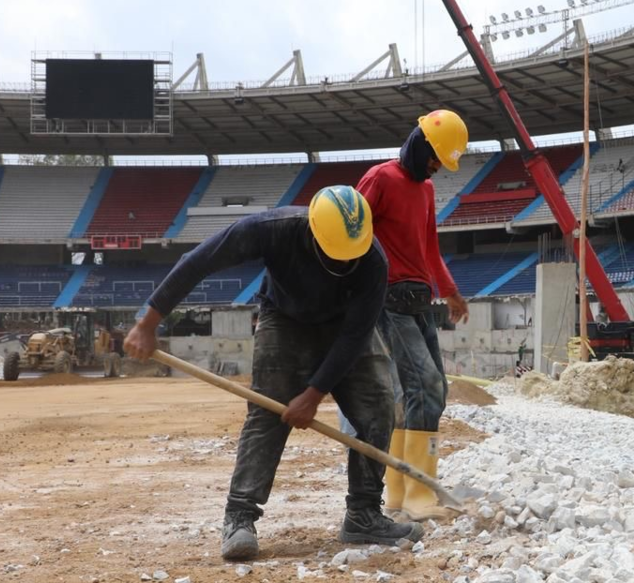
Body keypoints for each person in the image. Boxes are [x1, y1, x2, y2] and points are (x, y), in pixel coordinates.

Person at [122, 186, 421, 561]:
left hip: (344, 326)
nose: (345, 264)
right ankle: (239, 518)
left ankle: (363, 514)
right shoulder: (273, 228)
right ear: (314, 232)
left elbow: (355, 335)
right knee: (267, 416)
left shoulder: (373, 259)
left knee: (378, 409)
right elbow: (198, 261)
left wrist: (313, 394)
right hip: (284, 320)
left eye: (351, 256)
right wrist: (148, 322)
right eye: (336, 256)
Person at [355, 109, 469, 521]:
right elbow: (352, 231)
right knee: (426, 386)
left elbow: (431, 248)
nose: (437, 167)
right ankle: (419, 494)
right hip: (388, 299)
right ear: (419, 143)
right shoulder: (380, 179)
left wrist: (451, 292)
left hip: (419, 300)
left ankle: (400, 494)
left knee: (425, 393)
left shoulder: (425, 191)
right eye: (436, 157)